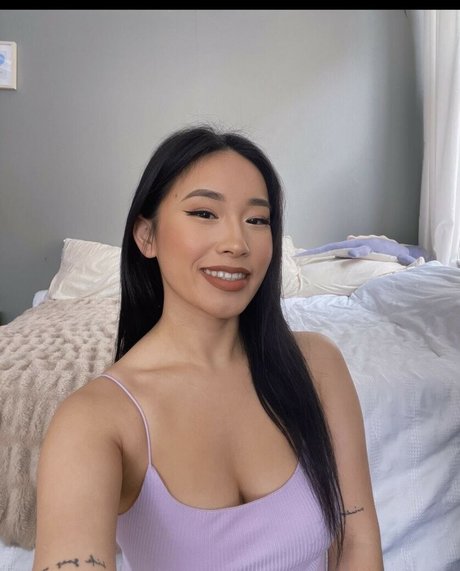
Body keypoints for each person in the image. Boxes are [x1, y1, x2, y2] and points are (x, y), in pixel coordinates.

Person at [33, 125, 383, 571]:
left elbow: (357, 543)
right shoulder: (94, 421)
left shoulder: (317, 365)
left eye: (257, 220)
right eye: (204, 213)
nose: (237, 243)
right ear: (146, 236)